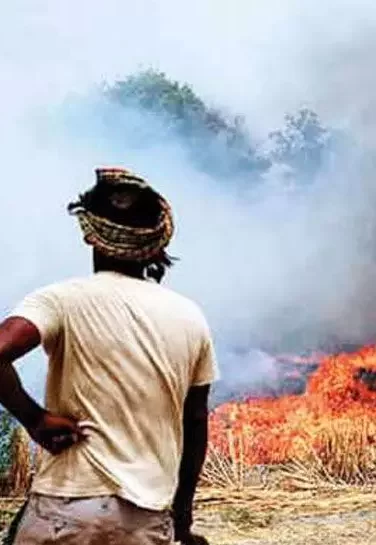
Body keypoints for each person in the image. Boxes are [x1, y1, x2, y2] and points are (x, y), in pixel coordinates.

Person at [0, 167, 217, 545]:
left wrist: (34, 419)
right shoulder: (189, 316)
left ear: (90, 235)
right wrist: (181, 518)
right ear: (155, 243)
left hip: (64, 511)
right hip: (145, 518)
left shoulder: (59, 300)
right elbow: (195, 420)